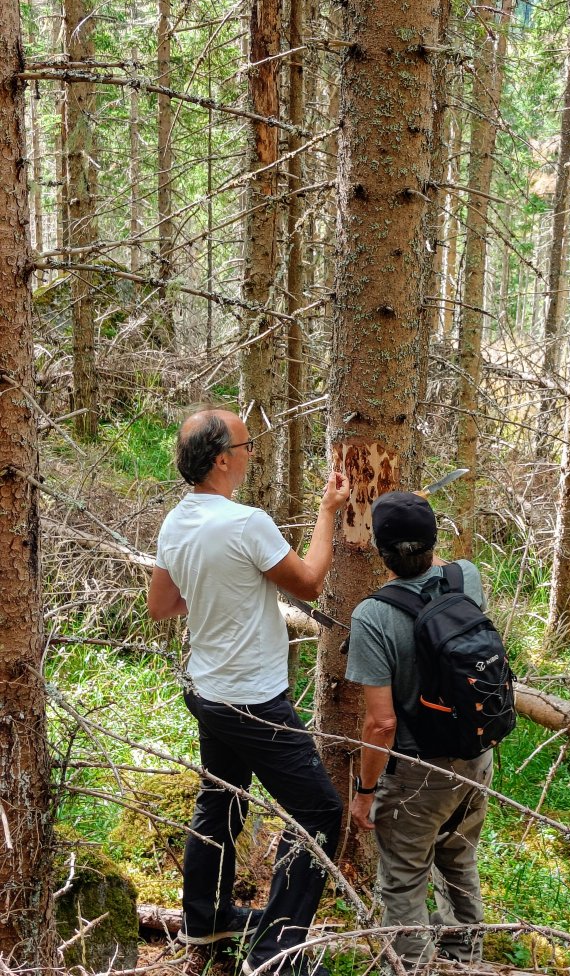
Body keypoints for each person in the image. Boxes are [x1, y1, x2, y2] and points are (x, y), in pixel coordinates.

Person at [148, 407, 349, 976]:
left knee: (221, 800)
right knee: (319, 813)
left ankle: (205, 917)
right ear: (221, 460)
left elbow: (162, 605)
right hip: (254, 701)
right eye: (246, 443)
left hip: (208, 691)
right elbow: (309, 581)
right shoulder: (245, 523)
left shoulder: (176, 522)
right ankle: (276, 952)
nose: (252, 452)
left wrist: (218, 597)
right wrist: (327, 512)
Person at [344, 492, 493, 971]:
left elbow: (381, 722)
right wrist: (419, 524)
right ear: (433, 540)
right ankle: (464, 962)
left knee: (404, 883)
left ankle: (411, 969)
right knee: (458, 864)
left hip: (416, 773)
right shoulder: (465, 577)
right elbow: (441, 566)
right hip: (476, 755)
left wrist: (365, 792)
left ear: (379, 552)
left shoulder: (372, 617)